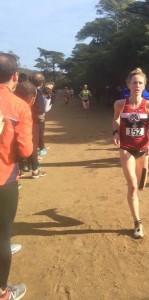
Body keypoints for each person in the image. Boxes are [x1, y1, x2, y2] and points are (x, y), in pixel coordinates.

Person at [0, 53, 33, 300]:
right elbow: (25, 149)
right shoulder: (19, 106)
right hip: (4, 177)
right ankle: (2, 292)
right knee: (2, 234)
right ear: (15, 77)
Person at [112, 68, 149, 239]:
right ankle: (137, 222)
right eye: (134, 82)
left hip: (143, 149)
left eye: (140, 83)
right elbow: (116, 119)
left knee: (141, 186)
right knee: (132, 186)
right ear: (128, 85)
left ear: (145, 85)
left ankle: (137, 193)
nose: (137, 85)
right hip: (126, 148)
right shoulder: (120, 104)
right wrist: (116, 132)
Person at [29, 72, 47, 176]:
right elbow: (37, 107)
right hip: (33, 121)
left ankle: (29, 166)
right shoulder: (33, 91)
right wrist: (40, 116)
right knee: (33, 144)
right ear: (40, 82)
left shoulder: (32, 89)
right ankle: (35, 169)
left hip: (32, 120)